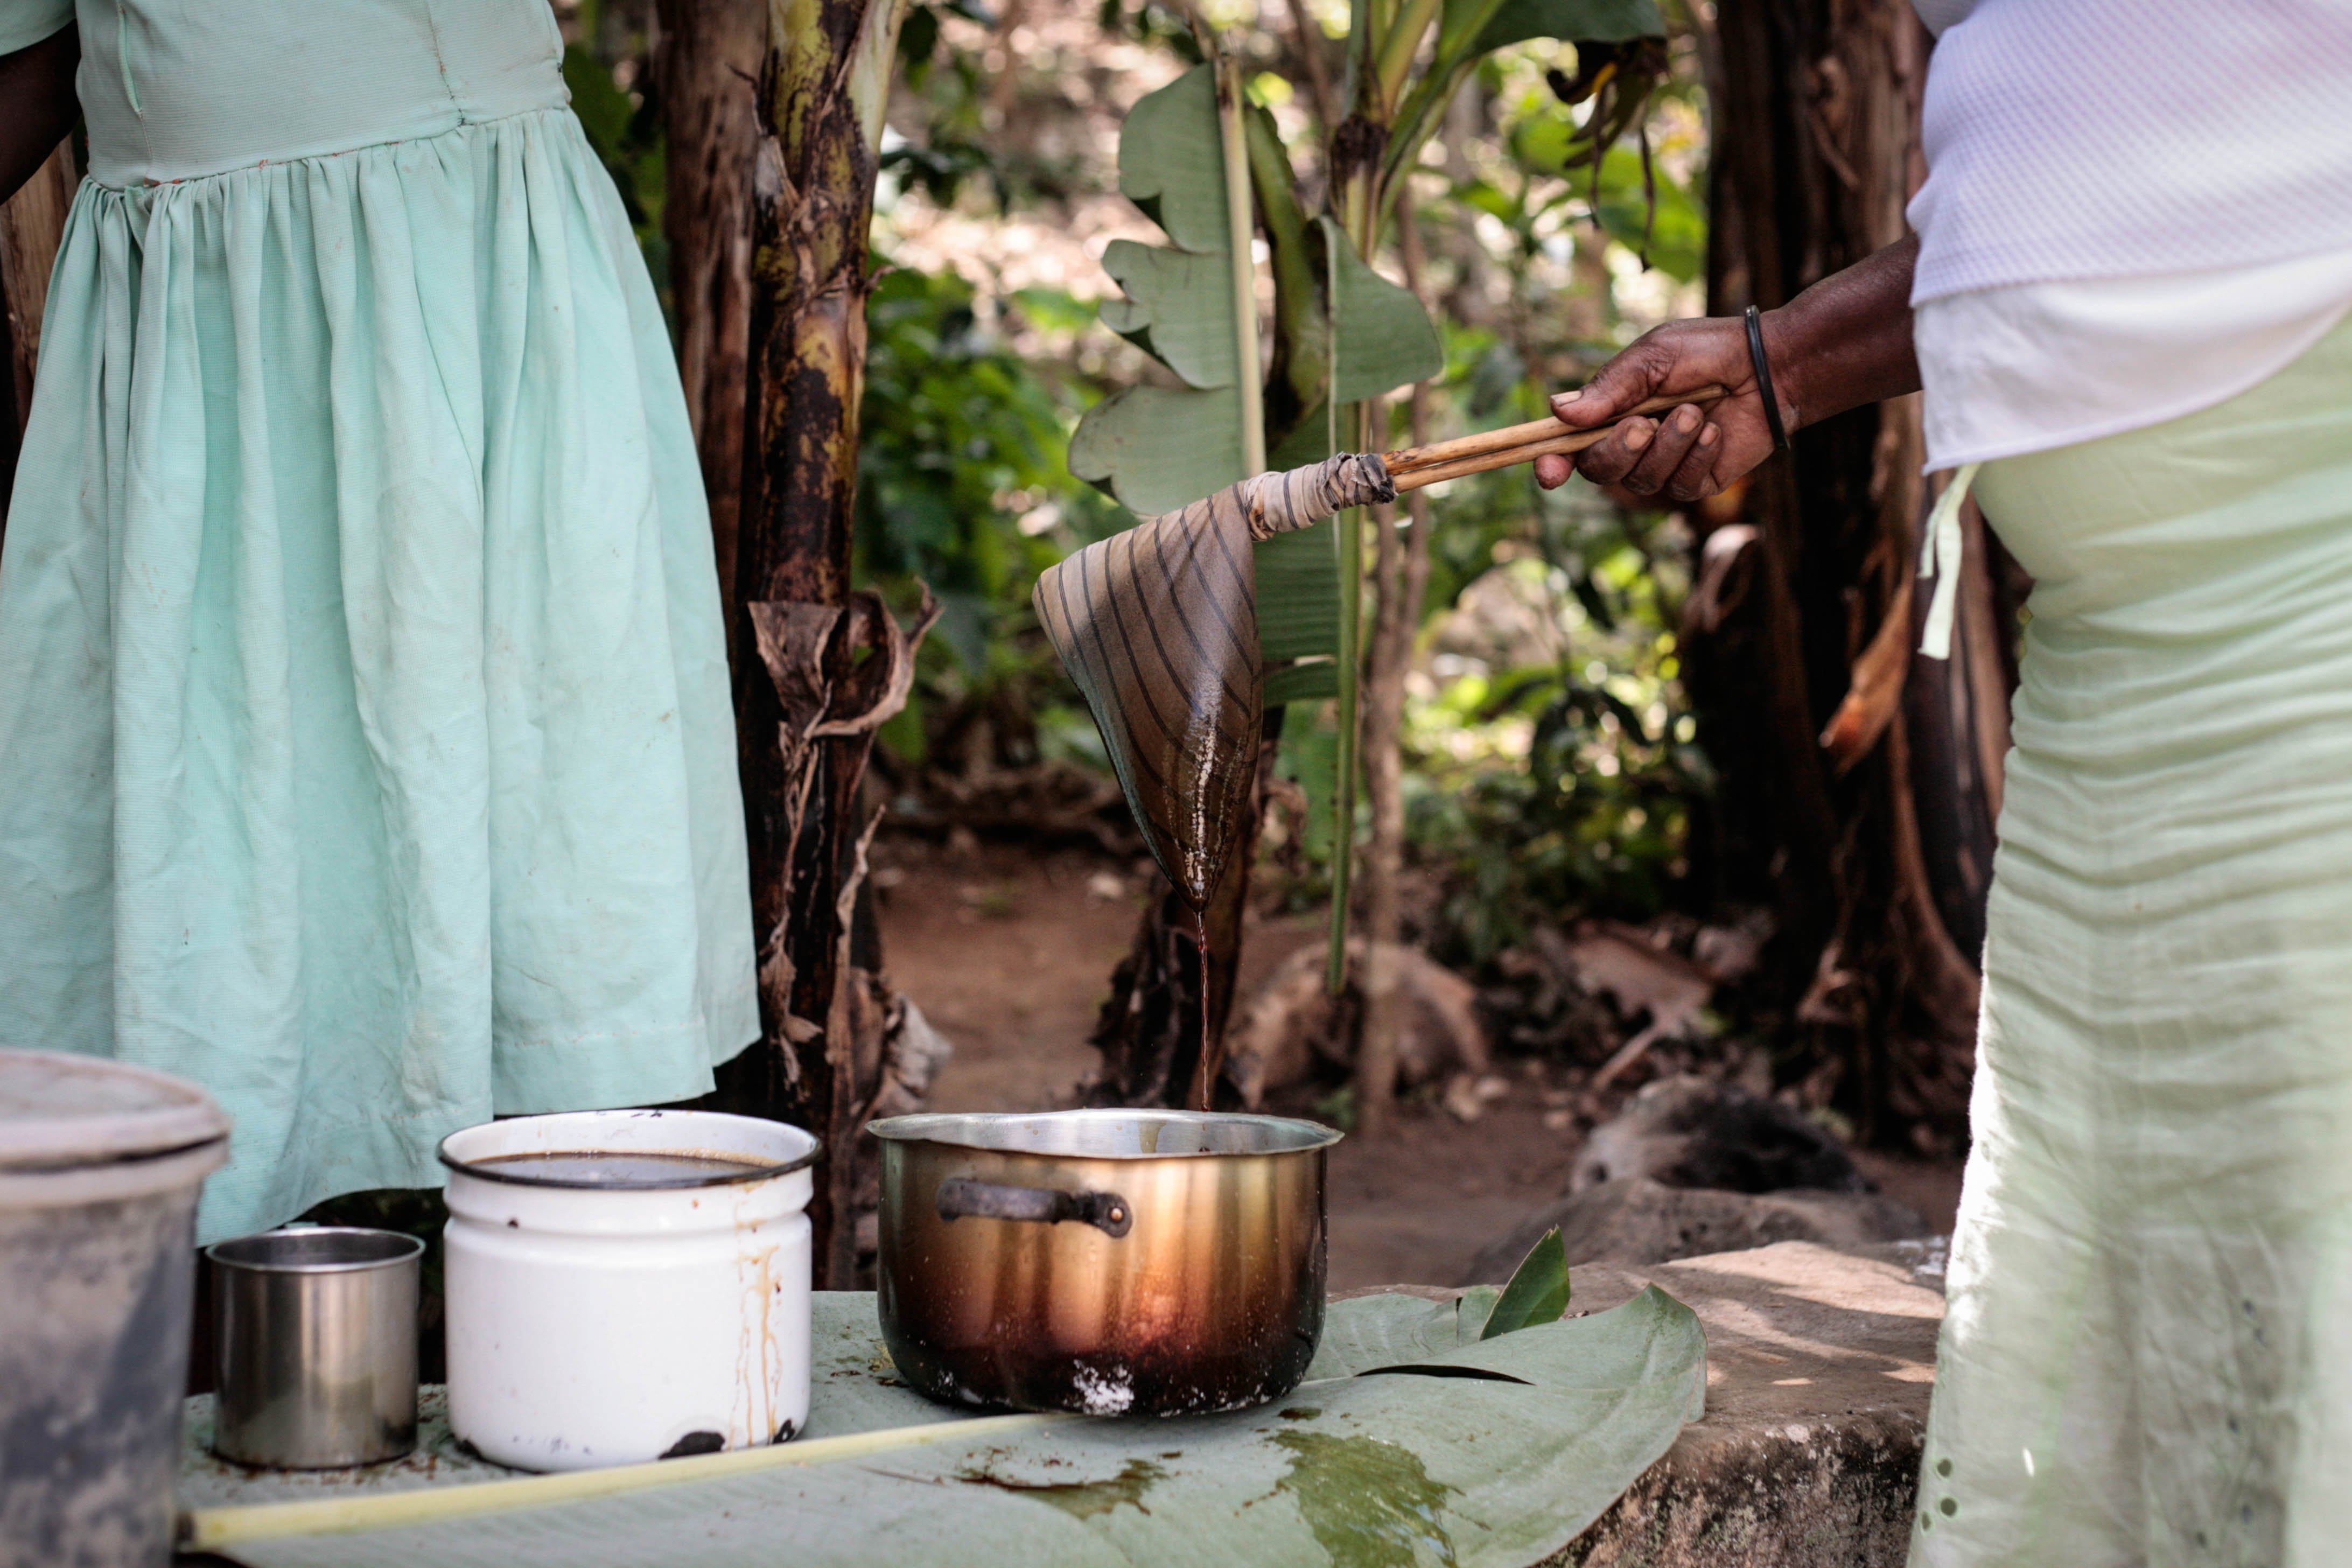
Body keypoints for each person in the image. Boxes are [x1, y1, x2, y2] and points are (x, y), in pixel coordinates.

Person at [1537, 3, 2352, 1562]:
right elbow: (2080, 168)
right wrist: (1780, 364)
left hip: (2312, 608)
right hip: (2112, 687)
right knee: (2130, 1254)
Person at [0, 4, 759, 1243]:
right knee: (215, 820)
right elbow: (36, 54)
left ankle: (573, 1289)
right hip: (199, 319)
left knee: (534, 806)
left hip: (461, 260)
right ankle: (229, 1317)